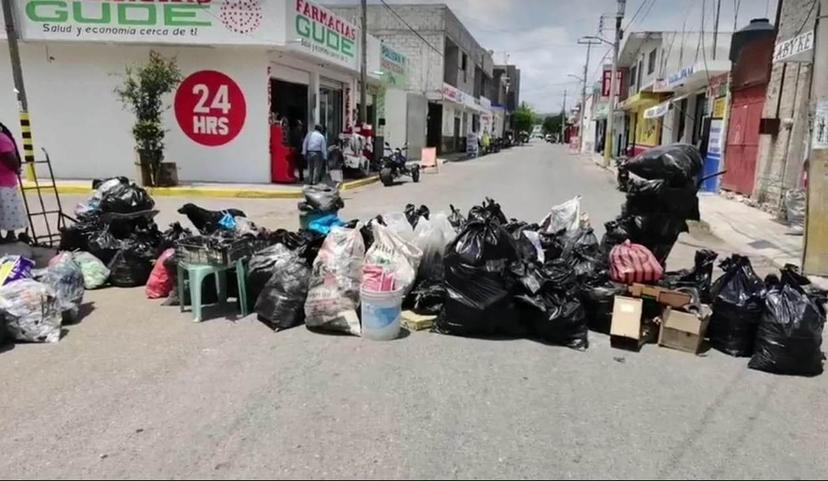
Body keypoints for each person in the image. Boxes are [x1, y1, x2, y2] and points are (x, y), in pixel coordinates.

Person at [0, 123, 27, 240]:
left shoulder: (1, 139)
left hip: (3, 182)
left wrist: (16, 168)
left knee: (6, 209)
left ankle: (10, 235)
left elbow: (8, 156)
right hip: (5, 181)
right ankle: (8, 236)